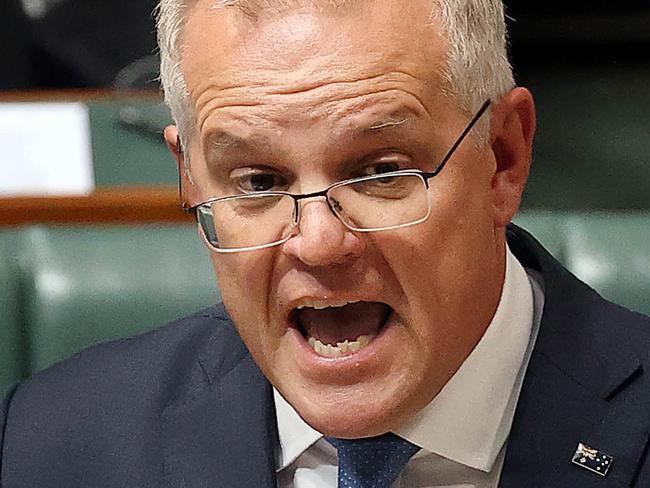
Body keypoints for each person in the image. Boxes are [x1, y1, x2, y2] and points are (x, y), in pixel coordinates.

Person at [1, 0, 649, 487]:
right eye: (257, 180)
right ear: (191, 181)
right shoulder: (49, 444)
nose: (319, 243)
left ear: (503, 158)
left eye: (380, 171)